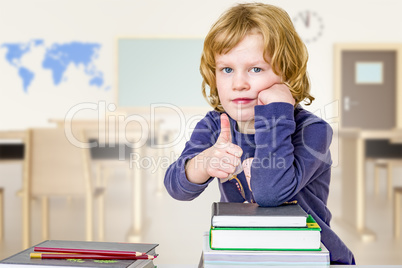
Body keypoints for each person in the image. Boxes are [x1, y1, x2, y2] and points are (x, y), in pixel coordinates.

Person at [164, 3, 355, 264]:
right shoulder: (215, 125)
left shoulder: (313, 132)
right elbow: (176, 188)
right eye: (227, 69)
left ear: (286, 73)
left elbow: (270, 193)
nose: (239, 83)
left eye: (256, 69)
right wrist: (204, 162)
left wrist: (277, 112)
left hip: (310, 257)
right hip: (245, 252)